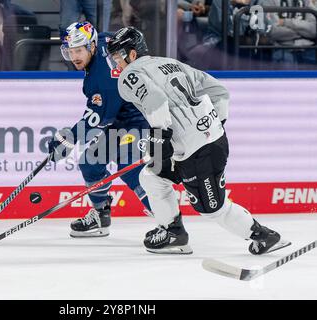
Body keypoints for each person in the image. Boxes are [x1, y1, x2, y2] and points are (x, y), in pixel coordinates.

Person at [107, 26, 292, 254]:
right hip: (201, 143)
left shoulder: (129, 74)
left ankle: (263, 236)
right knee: (152, 175)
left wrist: (160, 137)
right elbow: (219, 91)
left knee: (212, 209)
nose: (116, 64)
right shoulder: (170, 63)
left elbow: (155, 100)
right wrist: (212, 126)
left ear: (132, 54)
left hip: (198, 151)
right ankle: (173, 232)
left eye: (117, 57)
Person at [48, 22, 152, 238]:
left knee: (129, 166)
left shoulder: (101, 80)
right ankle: (100, 215)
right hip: (119, 118)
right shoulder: (102, 40)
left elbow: (96, 120)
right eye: (70, 51)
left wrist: (68, 139)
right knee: (90, 163)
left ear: (92, 47)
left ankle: (170, 224)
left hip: (141, 119)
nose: (74, 56)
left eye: (79, 51)